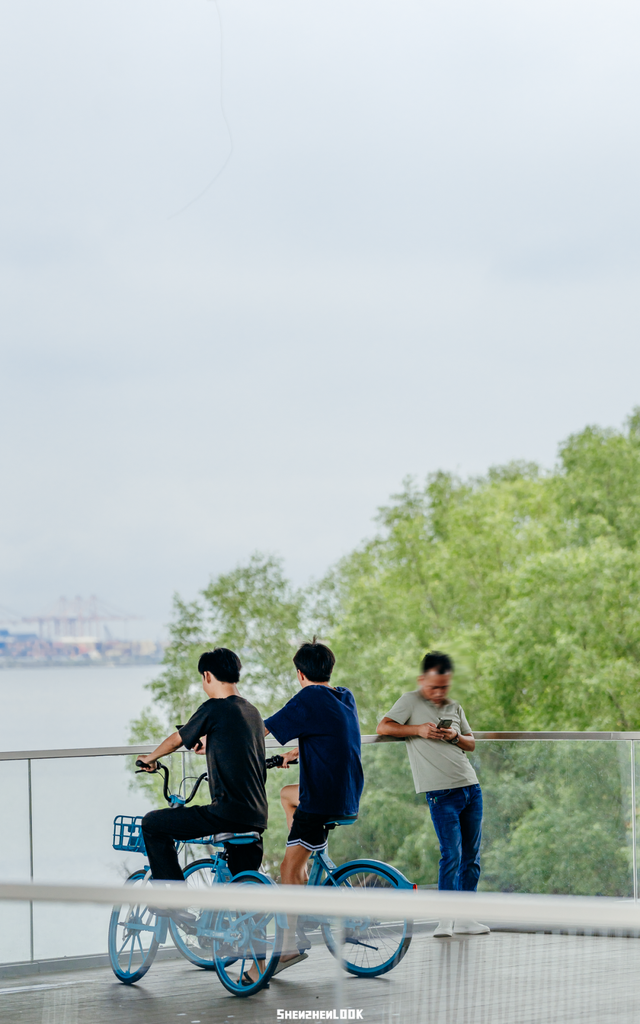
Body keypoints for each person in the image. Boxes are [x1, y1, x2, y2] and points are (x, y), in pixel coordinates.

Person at [137, 647, 268, 930]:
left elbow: (176, 739)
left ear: (207, 676)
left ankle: (174, 899)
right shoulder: (252, 711)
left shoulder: (213, 708)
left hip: (226, 812)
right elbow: (237, 745)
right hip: (256, 816)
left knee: (153, 824)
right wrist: (210, 744)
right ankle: (258, 960)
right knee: (245, 890)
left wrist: (150, 758)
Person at [262, 638, 364, 973]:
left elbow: (263, 729)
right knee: (288, 795)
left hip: (321, 800)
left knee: (286, 871)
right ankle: (302, 856)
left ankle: (289, 946)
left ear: (299, 673)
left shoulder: (309, 696)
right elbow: (330, 736)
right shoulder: (343, 696)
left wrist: (220, 740)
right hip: (347, 794)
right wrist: (299, 751)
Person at [377, 650, 489, 938]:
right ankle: (445, 921)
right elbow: (383, 726)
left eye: (444, 686)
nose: (439, 692)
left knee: (471, 856)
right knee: (450, 854)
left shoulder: (454, 706)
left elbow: (471, 743)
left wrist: (455, 737)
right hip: (440, 793)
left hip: (470, 787)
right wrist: (418, 730)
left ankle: (466, 918)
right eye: (433, 686)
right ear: (421, 680)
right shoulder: (409, 701)